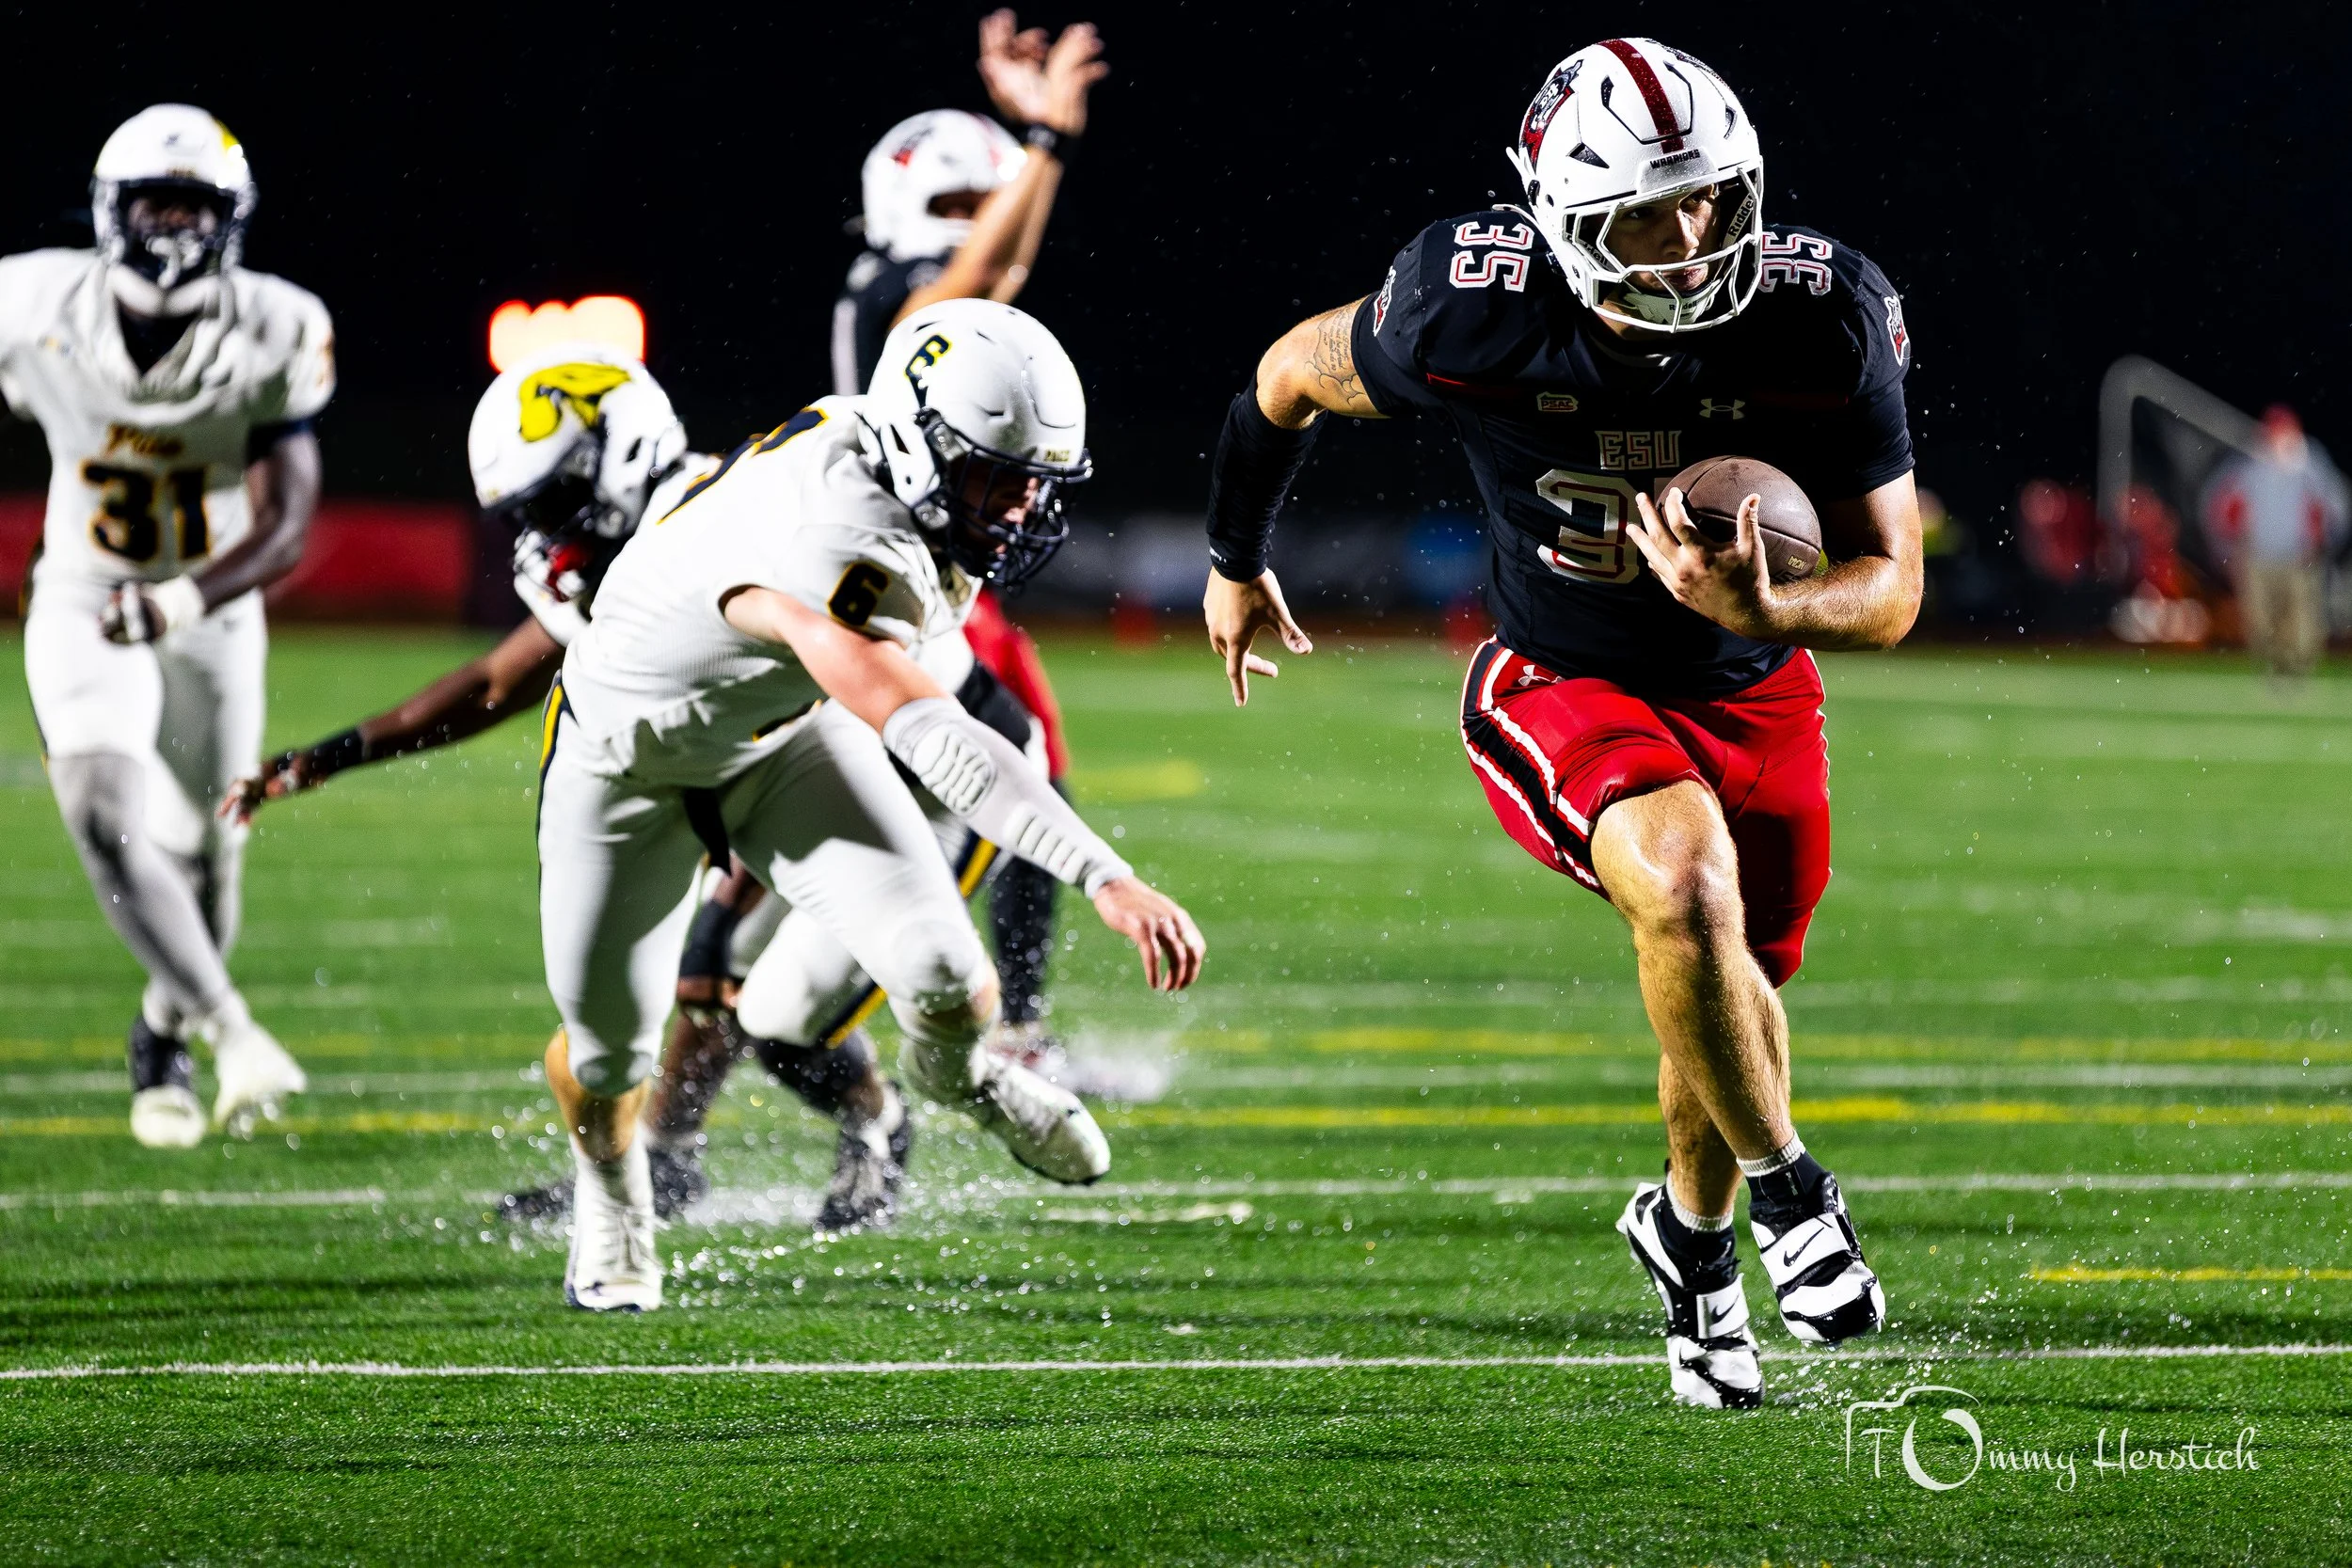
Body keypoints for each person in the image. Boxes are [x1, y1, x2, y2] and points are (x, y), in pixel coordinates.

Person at [1200, 38, 1916, 1407]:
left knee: (1720, 993)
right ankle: (1793, 1197)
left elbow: (1893, 590)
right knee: (1687, 880)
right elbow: (1283, 376)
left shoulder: (1821, 311)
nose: (1695, 236)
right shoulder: (1470, 310)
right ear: (1564, 220)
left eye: (1713, 196)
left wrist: (1771, 610)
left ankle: (1692, 1248)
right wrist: (1239, 554)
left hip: (1757, 690)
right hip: (1563, 674)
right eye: (1651, 209)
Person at [540, 298, 1202, 1309]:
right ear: (919, 441)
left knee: (946, 975)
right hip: (628, 766)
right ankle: (613, 1188)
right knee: (606, 1052)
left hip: (781, 736)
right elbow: (930, 732)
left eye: (1035, 482)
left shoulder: (888, 456)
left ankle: (963, 1078)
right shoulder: (833, 538)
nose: (1021, 507)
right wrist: (1103, 875)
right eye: (998, 476)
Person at [639, 8, 1111, 1153]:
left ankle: (681, 1141)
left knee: (1005, 757)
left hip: (902, 572)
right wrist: (1041, 146)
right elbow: (992, 263)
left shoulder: (926, 305)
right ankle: (680, 1135)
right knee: (1001, 751)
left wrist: (1033, 146)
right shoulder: (904, 306)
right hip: (876, 582)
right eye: (953, 200)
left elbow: (1004, 261)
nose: (973, 227)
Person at [2, 105, 332, 1149]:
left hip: (211, 609)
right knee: (102, 810)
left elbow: (285, 521)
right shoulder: (32, 299)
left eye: (197, 207)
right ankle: (230, 1028)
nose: (177, 228)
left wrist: (182, 599)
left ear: (231, 220)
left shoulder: (277, 323)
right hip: (84, 596)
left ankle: (163, 1025)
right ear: (113, 210)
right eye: (158, 204)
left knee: (209, 857)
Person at [2202, 405, 2347, 681]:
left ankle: (2298, 672)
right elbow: (2218, 506)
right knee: (2262, 620)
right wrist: (2225, 548)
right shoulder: (2248, 465)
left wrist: (2324, 542)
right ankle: (2274, 670)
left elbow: (2335, 507)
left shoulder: (2310, 465)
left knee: (2301, 621)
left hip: (2298, 557)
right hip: (2258, 557)